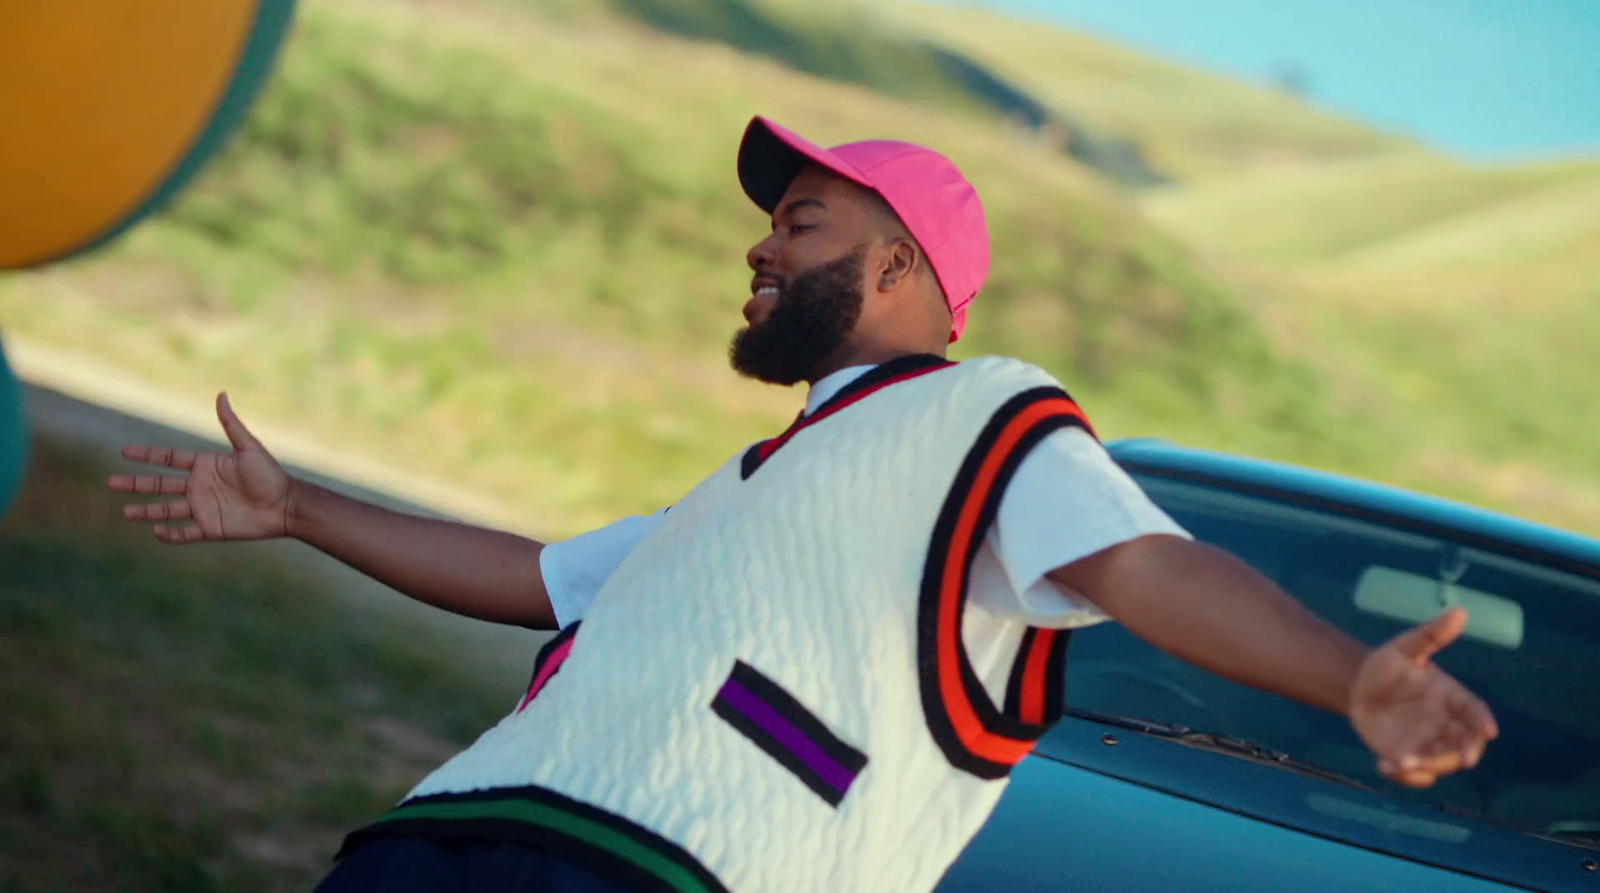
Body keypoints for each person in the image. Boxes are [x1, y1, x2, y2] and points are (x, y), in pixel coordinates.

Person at [108, 116, 1499, 893]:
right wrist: (299, 508)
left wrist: (1348, 675)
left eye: (800, 224)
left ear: (897, 266)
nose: (760, 246)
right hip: (443, 839)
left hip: (664, 873)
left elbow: (1142, 564)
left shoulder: (989, 411)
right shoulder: (755, 486)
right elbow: (536, 576)